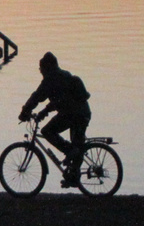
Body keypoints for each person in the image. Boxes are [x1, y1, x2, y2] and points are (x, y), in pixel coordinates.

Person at [18, 51, 92, 188]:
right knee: (77, 146)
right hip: (83, 113)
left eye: (41, 69)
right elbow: (59, 101)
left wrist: (25, 111)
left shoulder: (50, 80)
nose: (40, 72)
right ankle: (73, 177)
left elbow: (37, 96)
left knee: (47, 131)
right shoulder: (65, 75)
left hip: (72, 114)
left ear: (47, 67)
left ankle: (69, 152)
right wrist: (43, 112)